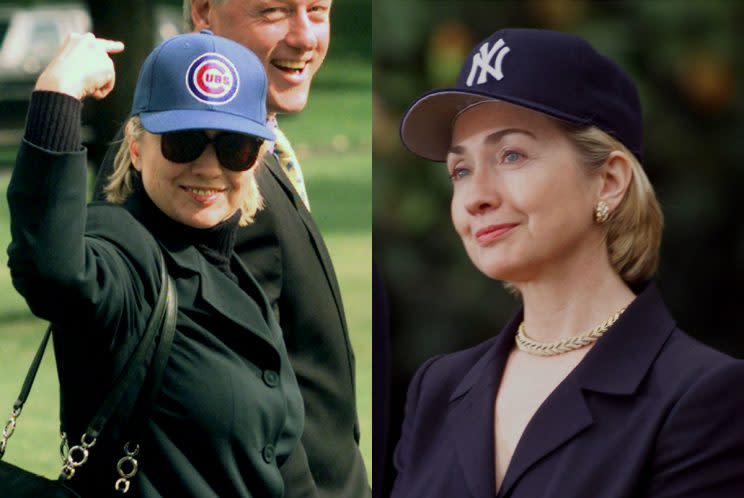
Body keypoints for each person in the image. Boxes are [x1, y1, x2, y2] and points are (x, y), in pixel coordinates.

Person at [390, 28, 744, 497]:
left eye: (511, 155)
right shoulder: (437, 388)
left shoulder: (702, 395)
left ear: (609, 181)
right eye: (461, 170)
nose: (476, 197)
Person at [7, 30, 312, 497]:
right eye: (183, 142)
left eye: (234, 147)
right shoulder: (125, 249)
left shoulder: (241, 280)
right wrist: (59, 93)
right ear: (135, 146)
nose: (209, 167)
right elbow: (51, 268)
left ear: (257, 159)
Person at [92, 2, 370, 495]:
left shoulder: (252, 150)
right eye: (273, 12)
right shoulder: (180, 177)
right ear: (202, 10)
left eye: (318, 10)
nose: (305, 37)